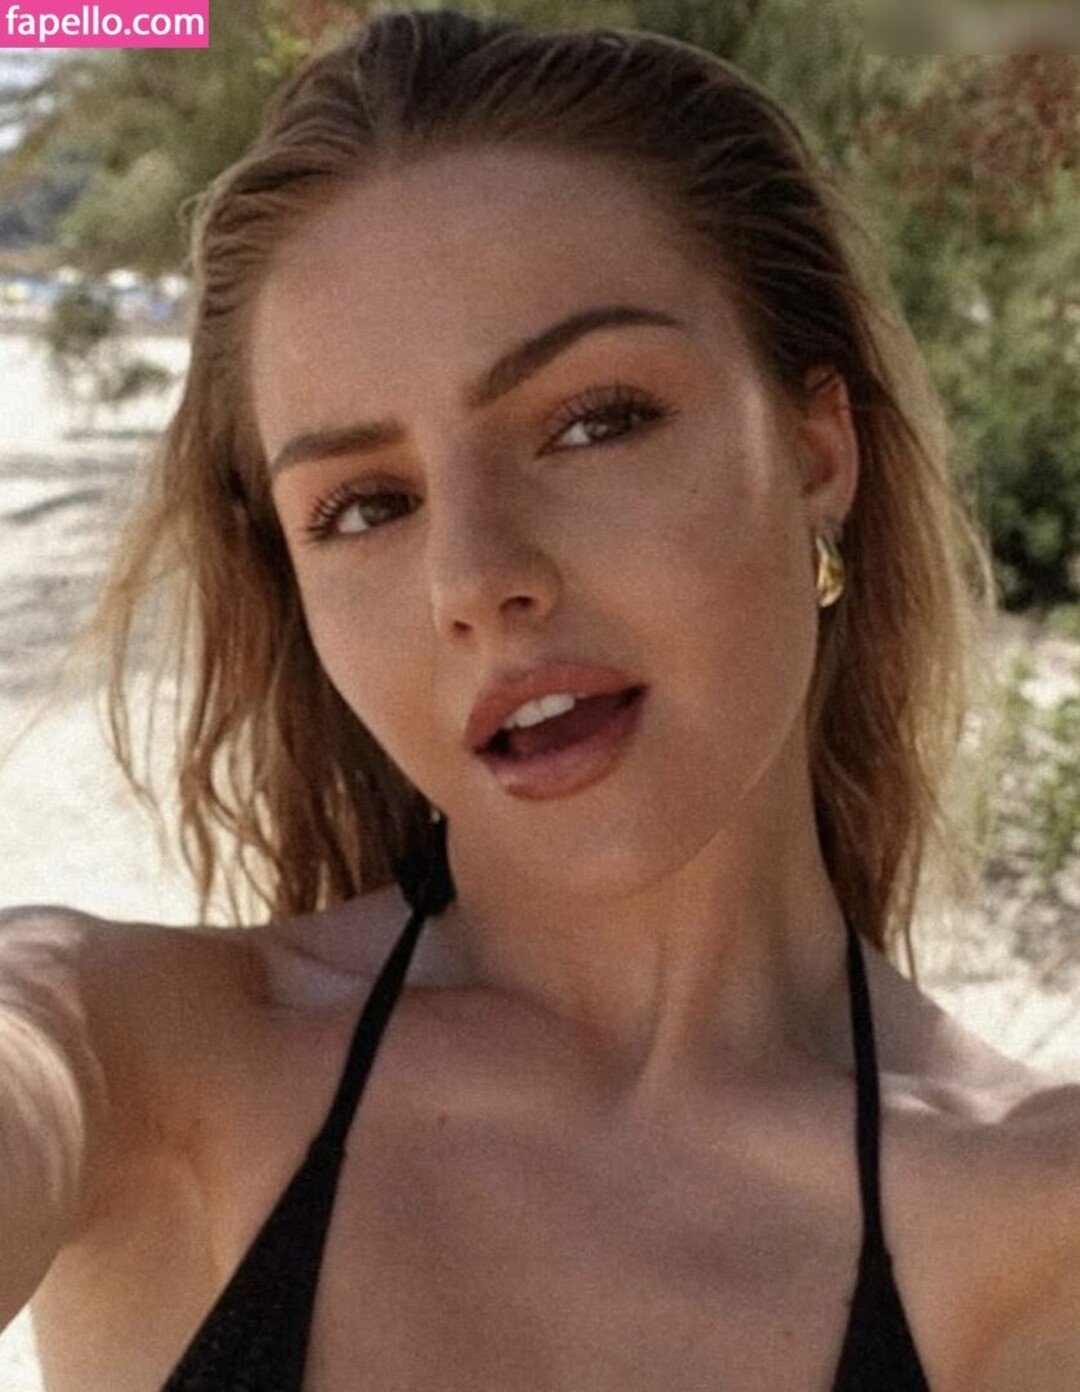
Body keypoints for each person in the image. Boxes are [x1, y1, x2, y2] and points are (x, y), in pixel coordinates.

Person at [1, 8, 1077, 1389]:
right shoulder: (126, 1055)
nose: (474, 579)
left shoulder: (1041, 1226)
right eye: (364, 505)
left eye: (593, 421)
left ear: (817, 451)